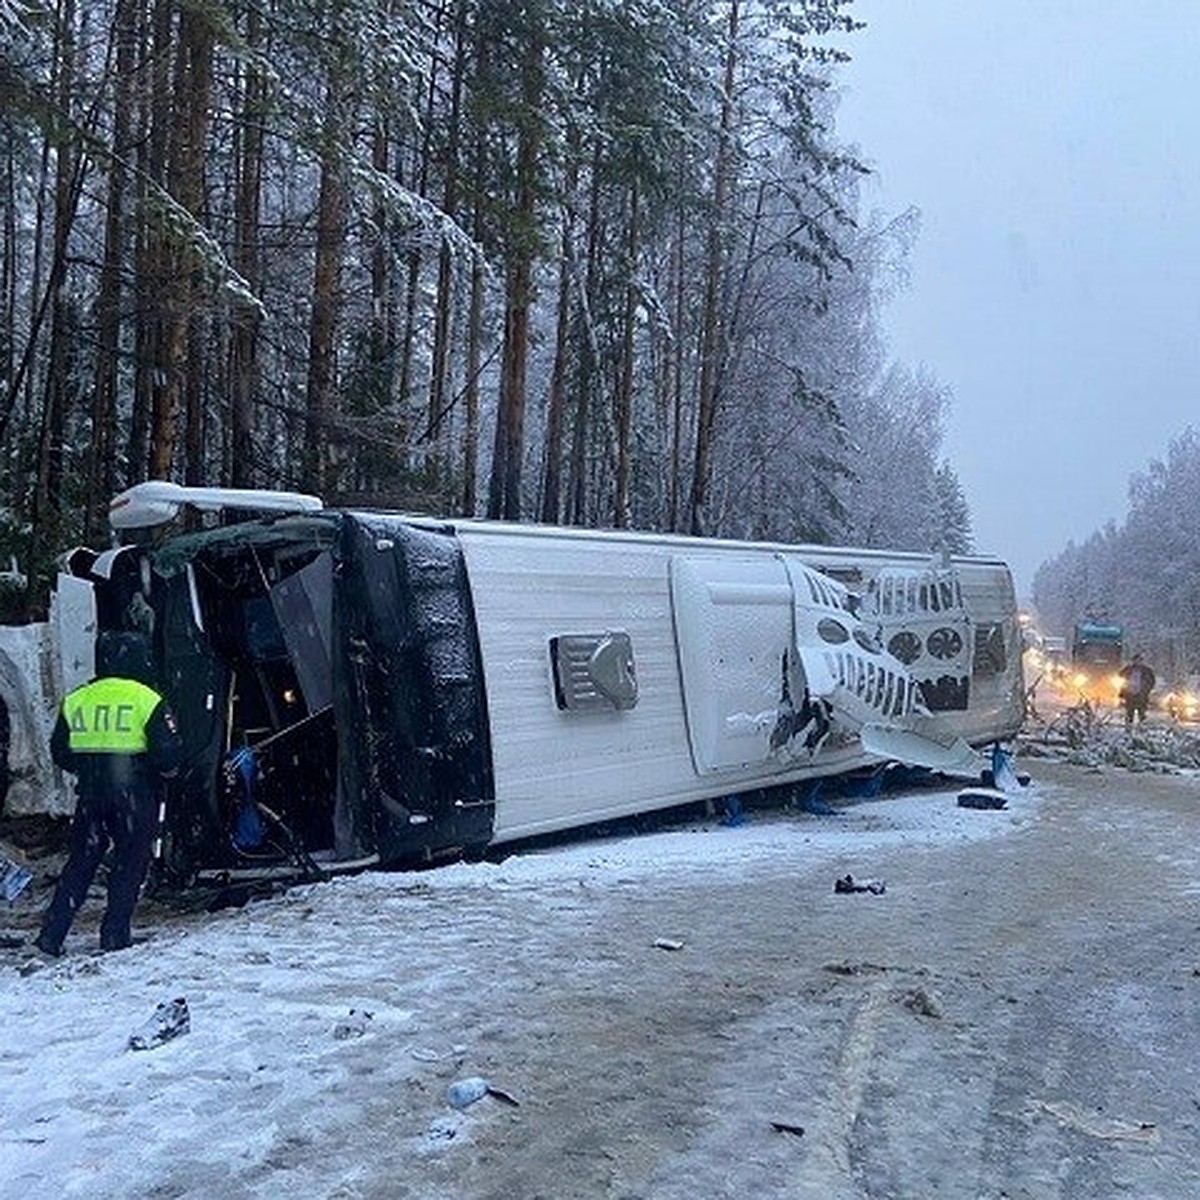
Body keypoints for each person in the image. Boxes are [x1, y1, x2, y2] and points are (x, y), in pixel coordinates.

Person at [34, 631, 181, 956]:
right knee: (129, 863)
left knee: (81, 863)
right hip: (134, 794)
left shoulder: (78, 699)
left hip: (90, 795)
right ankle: (115, 934)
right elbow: (168, 755)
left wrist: (89, 771)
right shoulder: (147, 699)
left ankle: (52, 935)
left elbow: (59, 750)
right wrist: (163, 774)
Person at [1118, 652, 1156, 729]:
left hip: (1141, 695)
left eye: (1139, 660)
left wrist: (1147, 690)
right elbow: (1120, 674)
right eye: (1136, 660)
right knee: (1129, 713)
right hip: (1130, 694)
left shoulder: (1147, 671)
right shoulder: (1129, 669)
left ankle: (1142, 730)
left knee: (1142, 713)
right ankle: (1128, 729)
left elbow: (1152, 681)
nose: (1137, 662)